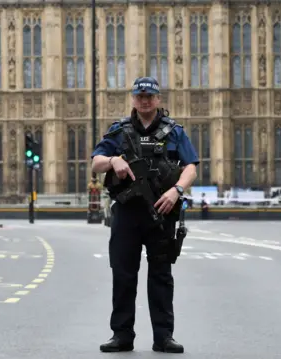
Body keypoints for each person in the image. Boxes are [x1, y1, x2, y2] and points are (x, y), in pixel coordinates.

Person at [91, 77, 199, 354]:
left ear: (158, 99)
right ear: (133, 99)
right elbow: (96, 162)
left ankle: (163, 337)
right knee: (123, 275)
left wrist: (176, 190)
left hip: (162, 211)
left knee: (161, 276)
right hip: (127, 213)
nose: (145, 100)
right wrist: (113, 160)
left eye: (149, 96)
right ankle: (122, 334)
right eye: (140, 96)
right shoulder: (119, 131)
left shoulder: (174, 132)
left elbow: (191, 167)